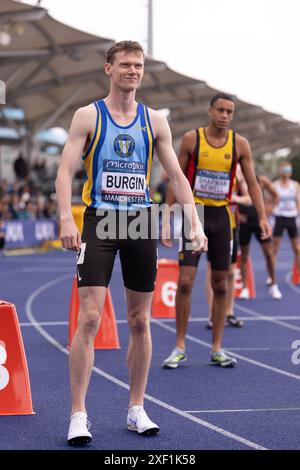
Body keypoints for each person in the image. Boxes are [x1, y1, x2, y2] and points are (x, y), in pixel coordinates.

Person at [55, 40, 207, 446]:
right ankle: (78, 414)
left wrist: (194, 224)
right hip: (100, 220)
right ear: (108, 68)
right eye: (125, 64)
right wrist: (64, 218)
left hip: (140, 219)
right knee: (89, 318)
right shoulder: (88, 116)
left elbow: (176, 176)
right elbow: (65, 171)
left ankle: (136, 408)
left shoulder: (155, 121)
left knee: (140, 320)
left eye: (138, 65)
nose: (133, 71)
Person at [161, 93, 272, 369]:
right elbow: (176, 178)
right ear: (210, 111)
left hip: (223, 217)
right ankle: (180, 346)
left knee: (221, 284)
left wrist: (262, 217)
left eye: (229, 111)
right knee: (185, 281)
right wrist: (166, 217)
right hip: (194, 214)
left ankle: (217, 348)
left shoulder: (240, 144)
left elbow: (253, 184)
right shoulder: (192, 139)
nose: (224, 115)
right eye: (220, 110)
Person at [205, 164, 251, 329]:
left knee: (230, 272)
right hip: (208, 219)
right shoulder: (208, 163)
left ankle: (229, 312)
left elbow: (248, 198)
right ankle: (212, 314)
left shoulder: (237, 168)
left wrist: (233, 198)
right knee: (212, 269)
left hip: (231, 224)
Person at [238, 174, 281, 299]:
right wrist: (237, 213)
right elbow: (229, 197)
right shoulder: (238, 178)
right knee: (244, 255)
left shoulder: (261, 180)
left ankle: (274, 285)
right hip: (245, 222)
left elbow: (276, 195)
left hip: (259, 221)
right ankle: (245, 287)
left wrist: (269, 209)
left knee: (269, 253)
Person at [272, 161, 300, 281]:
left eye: (288, 170)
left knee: (296, 248)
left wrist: (299, 217)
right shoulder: (275, 185)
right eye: (284, 170)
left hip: (292, 218)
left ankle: (298, 274)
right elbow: (269, 202)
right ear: (280, 171)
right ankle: (271, 276)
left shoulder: (295, 185)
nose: (286, 173)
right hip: (279, 217)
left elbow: (298, 202)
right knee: (274, 249)